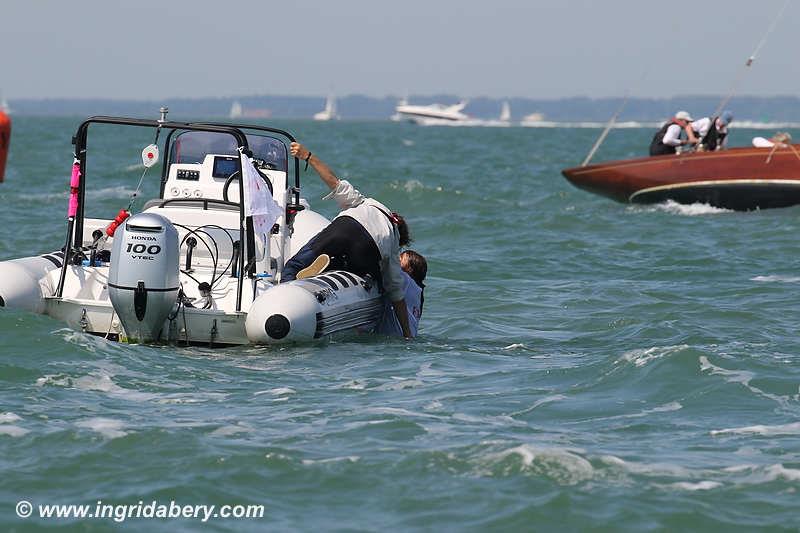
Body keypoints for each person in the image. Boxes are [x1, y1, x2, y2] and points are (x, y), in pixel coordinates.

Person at [282, 142, 414, 338]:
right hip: (368, 250)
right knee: (367, 275)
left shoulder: (363, 202)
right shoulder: (392, 239)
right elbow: (395, 290)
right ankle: (334, 271)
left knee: (293, 266)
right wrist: (407, 333)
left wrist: (307, 156)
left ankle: (284, 299)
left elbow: (334, 182)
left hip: (344, 227)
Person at [376, 250, 427, 338]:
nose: (397, 261)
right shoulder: (418, 292)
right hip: (409, 336)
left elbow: (386, 267)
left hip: (393, 336)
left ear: (410, 268)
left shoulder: (405, 280)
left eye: (400, 259)